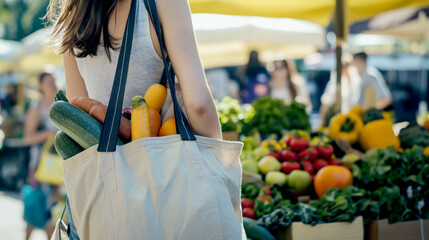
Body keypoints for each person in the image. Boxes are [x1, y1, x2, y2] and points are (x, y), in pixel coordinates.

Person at [48, 0, 221, 140]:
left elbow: (78, 113)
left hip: (106, 176)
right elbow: (199, 105)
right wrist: (219, 163)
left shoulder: (73, 18)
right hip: (166, 167)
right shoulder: (163, 4)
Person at [23, 72, 59, 240]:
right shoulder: (36, 108)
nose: (52, 85)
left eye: (54, 82)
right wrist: (50, 133)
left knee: (52, 209)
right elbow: (28, 138)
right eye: (49, 82)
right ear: (40, 86)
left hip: (57, 165)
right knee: (39, 206)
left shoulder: (60, 104)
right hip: (40, 165)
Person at [320, 55, 361, 124]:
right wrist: (322, 122)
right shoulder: (334, 83)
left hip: (352, 120)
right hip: (338, 120)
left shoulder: (356, 81)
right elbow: (325, 103)